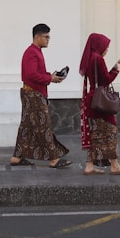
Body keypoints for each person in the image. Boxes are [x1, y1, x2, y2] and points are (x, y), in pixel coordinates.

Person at [9, 23, 72, 168]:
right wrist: (50, 79)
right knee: (43, 126)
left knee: (27, 127)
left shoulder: (35, 51)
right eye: (46, 37)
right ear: (37, 37)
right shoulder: (32, 52)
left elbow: (36, 73)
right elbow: (31, 75)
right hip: (33, 95)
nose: (48, 39)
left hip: (31, 94)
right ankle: (54, 159)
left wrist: (51, 76)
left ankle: (16, 157)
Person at [79, 32, 120, 175]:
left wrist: (114, 66)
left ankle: (89, 166)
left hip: (92, 99)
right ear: (99, 45)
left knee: (95, 133)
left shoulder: (91, 58)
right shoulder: (98, 59)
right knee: (111, 132)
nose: (107, 49)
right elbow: (106, 80)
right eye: (106, 46)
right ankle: (114, 165)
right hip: (101, 101)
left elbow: (99, 78)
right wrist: (117, 70)